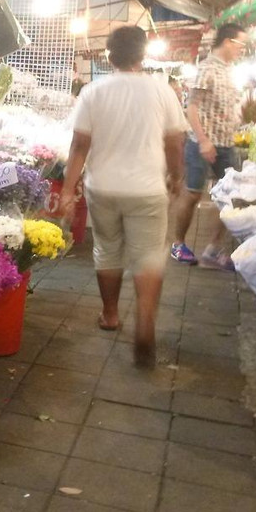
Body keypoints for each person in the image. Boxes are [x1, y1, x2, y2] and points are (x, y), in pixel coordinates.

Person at [60, 26, 187, 368]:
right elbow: (174, 142)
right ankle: (145, 321)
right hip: (147, 187)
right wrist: (176, 176)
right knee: (148, 255)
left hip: (102, 186)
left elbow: (79, 145)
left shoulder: (94, 91)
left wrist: (68, 190)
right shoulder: (162, 90)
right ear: (142, 55)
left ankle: (110, 314)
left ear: (109, 55)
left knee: (107, 248)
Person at [169, 23, 247, 270]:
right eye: (240, 44)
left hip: (226, 144)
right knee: (193, 193)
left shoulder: (230, 70)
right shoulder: (207, 68)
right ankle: (178, 244)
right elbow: (192, 107)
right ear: (227, 42)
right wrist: (203, 140)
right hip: (201, 143)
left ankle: (213, 248)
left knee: (230, 196)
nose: (242, 50)